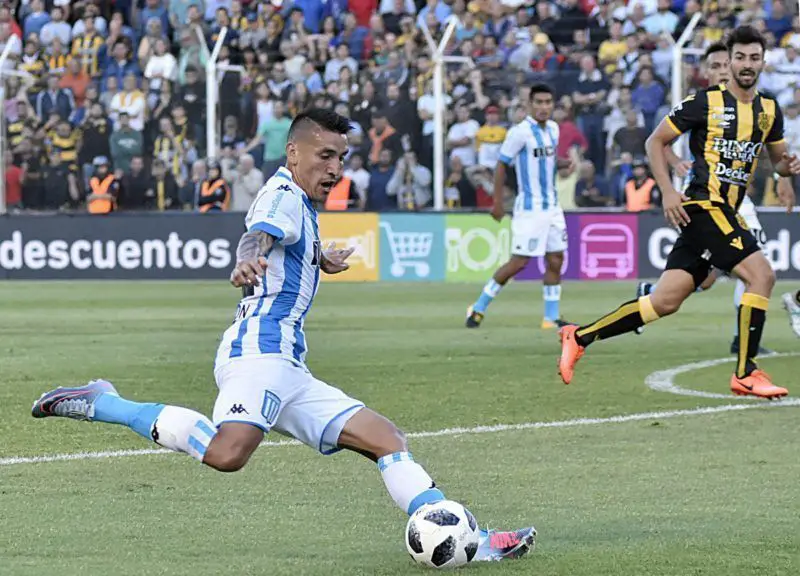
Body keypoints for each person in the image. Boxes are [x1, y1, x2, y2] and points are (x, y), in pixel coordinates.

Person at [31, 108, 535, 563]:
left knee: (386, 439)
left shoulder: (301, 204)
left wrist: (319, 257)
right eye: (325, 155)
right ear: (294, 153)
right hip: (258, 350)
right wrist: (246, 256)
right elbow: (262, 233)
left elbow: (290, 241)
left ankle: (472, 539)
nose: (336, 169)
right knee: (228, 454)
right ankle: (103, 402)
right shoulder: (281, 194)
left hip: (289, 363)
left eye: (341, 157)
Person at [558, 26, 800, 399]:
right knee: (762, 275)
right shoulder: (704, 103)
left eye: (754, 57)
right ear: (730, 62)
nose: (747, 64)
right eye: (740, 57)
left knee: (664, 301)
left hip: (725, 212)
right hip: (704, 206)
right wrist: (669, 192)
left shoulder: (769, 110)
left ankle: (580, 336)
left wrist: (788, 168)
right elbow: (657, 140)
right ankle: (746, 372)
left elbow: (777, 161)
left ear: (763, 62)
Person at [636, 42, 777, 355]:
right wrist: (675, 166)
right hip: (703, 197)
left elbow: (765, 147)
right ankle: (744, 348)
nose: (720, 71)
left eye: (723, 64)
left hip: (735, 200)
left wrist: (776, 175)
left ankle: (652, 295)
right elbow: (659, 142)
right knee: (755, 267)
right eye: (713, 67)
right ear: (705, 71)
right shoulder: (699, 103)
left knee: (719, 274)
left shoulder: (750, 104)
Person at [466, 84, 570, 330]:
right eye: (539, 103)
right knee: (519, 263)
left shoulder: (553, 130)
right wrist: (498, 202)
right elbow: (502, 165)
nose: (544, 107)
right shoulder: (519, 133)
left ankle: (550, 318)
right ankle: (478, 307)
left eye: (548, 102)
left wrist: (563, 164)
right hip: (530, 208)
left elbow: (549, 159)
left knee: (555, 259)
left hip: (553, 207)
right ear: (529, 105)